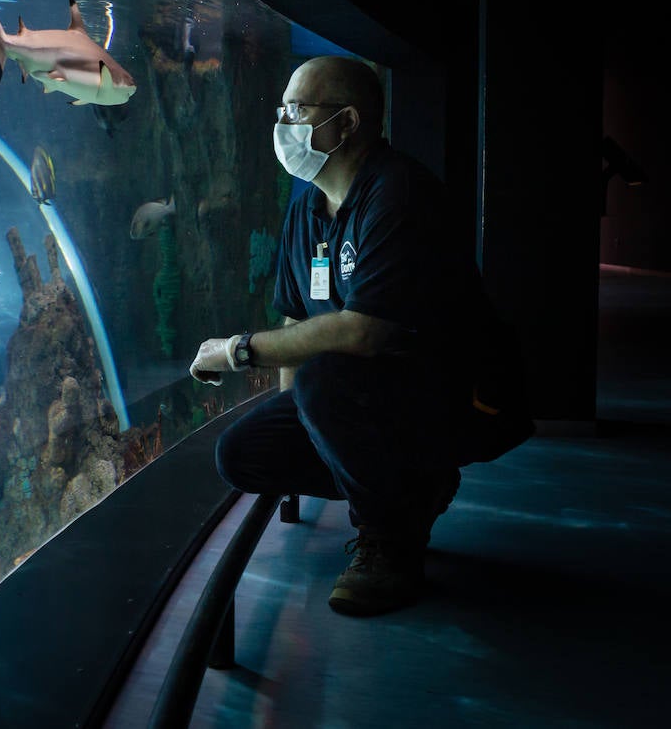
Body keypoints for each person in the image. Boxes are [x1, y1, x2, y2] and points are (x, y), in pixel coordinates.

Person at [188, 55, 531, 617]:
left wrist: (238, 350)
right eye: (282, 109)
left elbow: (364, 332)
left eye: (297, 110)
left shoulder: (398, 194)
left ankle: (391, 542)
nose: (283, 123)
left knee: (327, 376)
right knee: (243, 453)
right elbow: (298, 322)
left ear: (346, 123)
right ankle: (411, 489)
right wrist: (299, 417)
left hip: (454, 397)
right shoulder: (305, 210)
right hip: (362, 400)